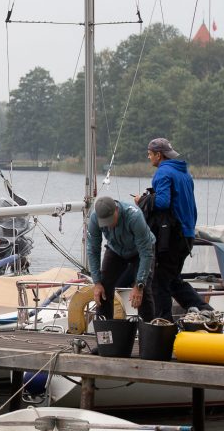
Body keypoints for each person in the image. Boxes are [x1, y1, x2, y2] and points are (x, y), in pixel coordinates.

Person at [136, 138, 213, 321]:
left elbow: (163, 202)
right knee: (172, 279)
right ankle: (204, 309)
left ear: (158, 155)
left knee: (159, 281)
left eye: (149, 154)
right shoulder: (184, 173)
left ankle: (163, 323)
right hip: (187, 235)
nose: (148, 157)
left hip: (172, 237)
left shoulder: (163, 173)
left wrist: (142, 200)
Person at [87, 196, 155, 322]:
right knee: (103, 289)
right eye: (105, 223)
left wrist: (139, 285)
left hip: (140, 251)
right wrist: (96, 282)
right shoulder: (94, 218)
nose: (109, 225)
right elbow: (92, 249)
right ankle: (105, 333)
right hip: (116, 249)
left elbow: (146, 253)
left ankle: (149, 332)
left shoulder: (134, 217)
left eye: (110, 220)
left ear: (116, 210)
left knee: (144, 291)